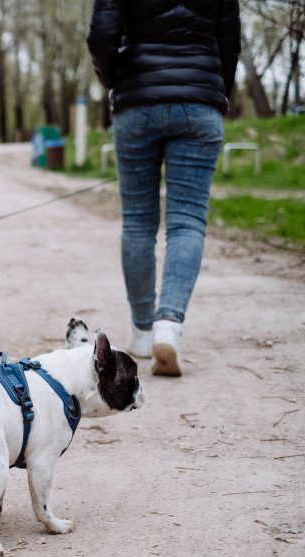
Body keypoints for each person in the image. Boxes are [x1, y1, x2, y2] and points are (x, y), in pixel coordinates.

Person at [87, 0, 240, 376]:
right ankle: (168, 326)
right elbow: (230, 41)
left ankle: (142, 330)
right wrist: (216, 87)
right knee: (187, 221)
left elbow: (101, 35)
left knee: (139, 223)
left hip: (137, 103)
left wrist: (116, 80)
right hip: (200, 104)